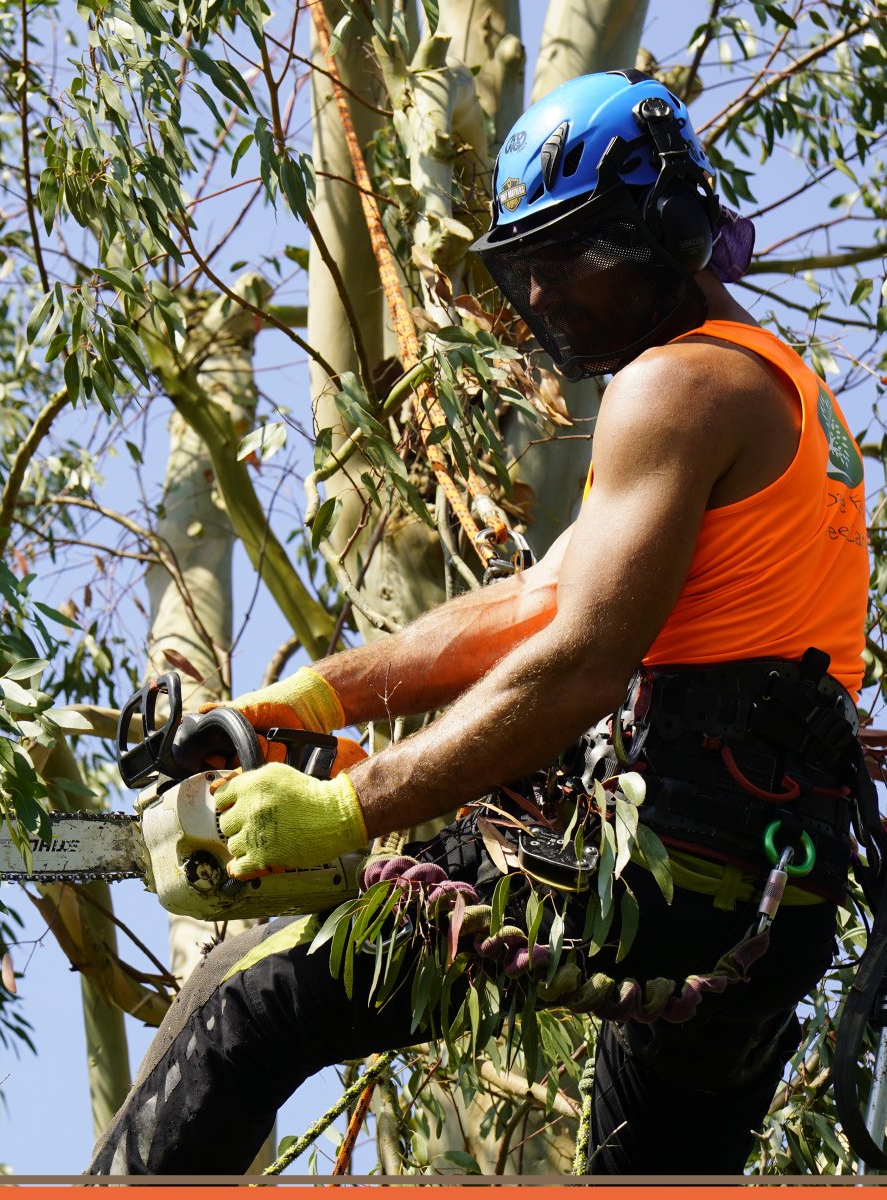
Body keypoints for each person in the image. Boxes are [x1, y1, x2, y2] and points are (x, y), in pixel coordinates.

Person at [89, 70, 869, 1175]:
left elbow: (578, 665)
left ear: (667, 230)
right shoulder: (779, 385)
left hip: (669, 859)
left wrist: (347, 807)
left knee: (244, 998)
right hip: (773, 895)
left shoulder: (676, 386)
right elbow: (532, 601)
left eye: (568, 256)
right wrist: (302, 700)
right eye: (524, 267)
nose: (542, 296)